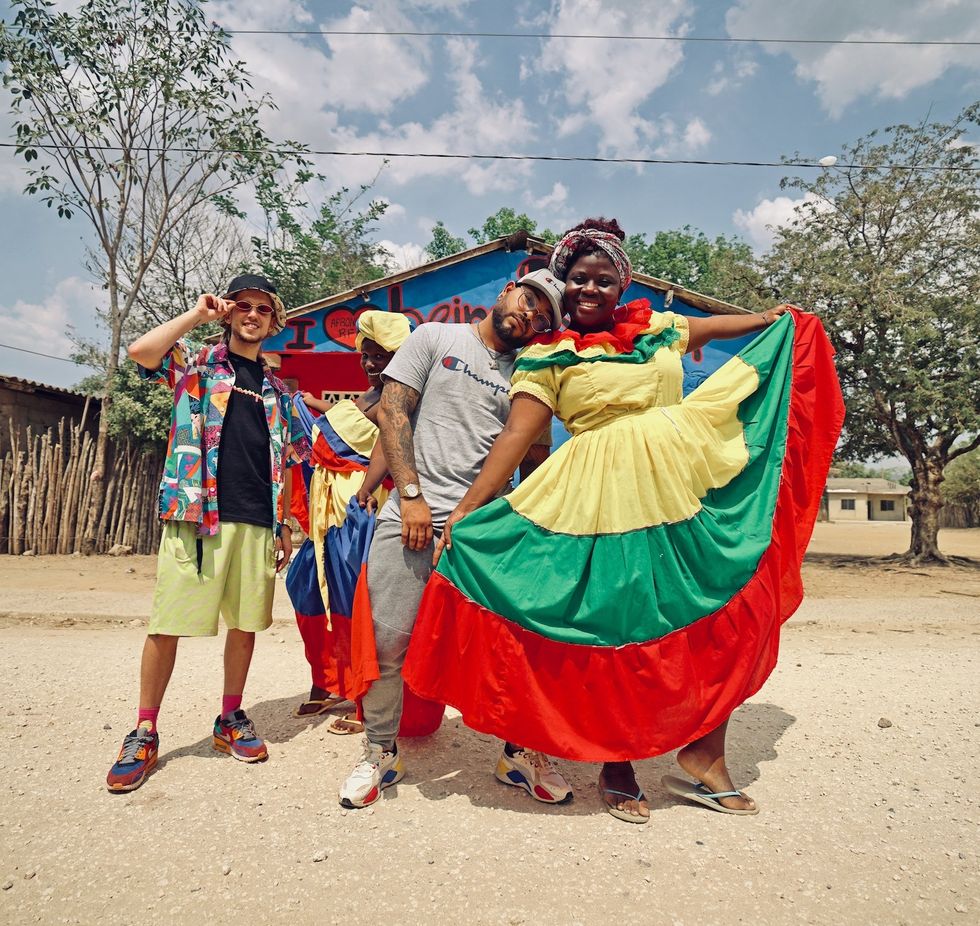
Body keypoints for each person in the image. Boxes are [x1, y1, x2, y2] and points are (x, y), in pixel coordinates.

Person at [403, 219, 844, 823]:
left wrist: (773, 320)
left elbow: (718, 328)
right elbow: (514, 437)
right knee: (619, 633)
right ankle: (618, 763)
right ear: (563, 285)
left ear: (621, 284)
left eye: (603, 280)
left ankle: (704, 758)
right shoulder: (547, 356)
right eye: (579, 279)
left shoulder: (656, 328)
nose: (590, 289)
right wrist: (466, 511)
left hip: (676, 490)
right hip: (598, 504)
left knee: (717, 612)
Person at [338, 269, 568, 809]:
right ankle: (378, 752)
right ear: (509, 287)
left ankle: (519, 754)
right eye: (529, 298)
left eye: (544, 315)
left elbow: (533, 457)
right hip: (410, 517)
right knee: (390, 643)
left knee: (511, 649)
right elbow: (393, 411)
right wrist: (411, 494)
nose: (531, 313)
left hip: (483, 531)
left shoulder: (531, 374)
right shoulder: (435, 337)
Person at [106, 273, 308, 793]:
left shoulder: (279, 391)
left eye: (264, 308)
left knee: (245, 626)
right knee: (167, 622)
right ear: (229, 312)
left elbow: (290, 460)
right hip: (197, 515)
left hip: (257, 521)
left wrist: (285, 521)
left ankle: (229, 718)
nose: (253, 315)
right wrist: (198, 315)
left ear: (274, 321)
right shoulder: (195, 365)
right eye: (243, 305)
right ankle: (145, 729)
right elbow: (140, 351)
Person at [287, 310, 411, 737]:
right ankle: (329, 681)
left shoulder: (399, 398)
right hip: (328, 514)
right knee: (305, 588)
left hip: (360, 511)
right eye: (368, 355)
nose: (373, 363)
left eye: (383, 355)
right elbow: (347, 420)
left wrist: (371, 491)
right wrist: (313, 406)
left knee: (354, 604)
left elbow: (389, 449)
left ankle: (364, 699)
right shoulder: (369, 394)